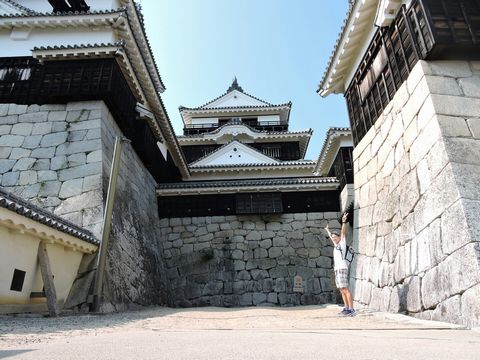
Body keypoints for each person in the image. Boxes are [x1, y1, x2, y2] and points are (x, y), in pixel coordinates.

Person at [325, 212, 356, 316]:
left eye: (335, 237)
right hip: (337, 269)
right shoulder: (336, 246)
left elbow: (343, 233)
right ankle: (346, 308)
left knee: (345, 289)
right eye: (333, 237)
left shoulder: (342, 243)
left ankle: (351, 309)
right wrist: (327, 231)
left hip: (342, 268)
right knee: (341, 290)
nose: (333, 238)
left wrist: (343, 222)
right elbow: (330, 237)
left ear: (339, 237)